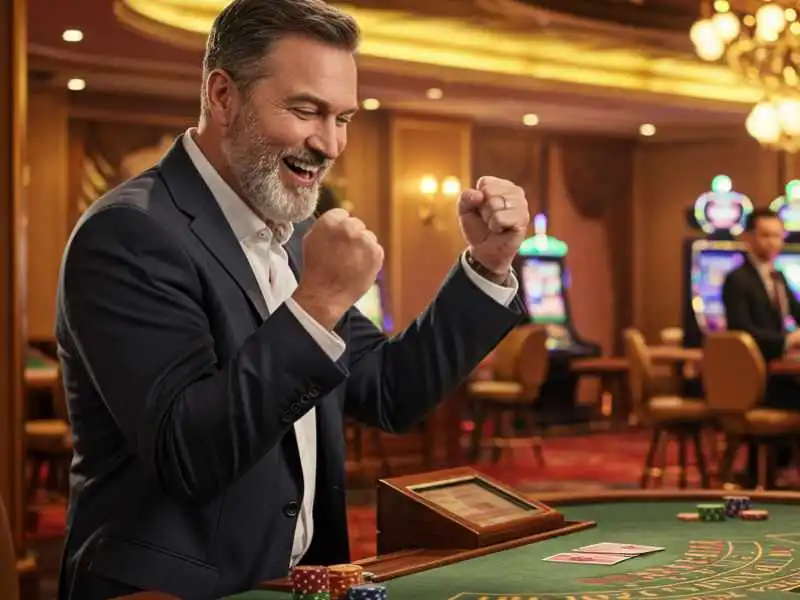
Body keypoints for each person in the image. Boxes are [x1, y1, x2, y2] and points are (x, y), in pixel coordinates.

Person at [54, 1, 530, 598]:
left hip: (293, 582)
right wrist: (319, 301)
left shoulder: (295, 232)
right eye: (306, 110)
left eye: (344, 118)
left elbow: (389, 390)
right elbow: (188, 455)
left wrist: (488, 264)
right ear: (223, 97)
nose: (329, 143)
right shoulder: (130, 232)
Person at [722, 207, 800, 486]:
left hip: (779, 374)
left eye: (778, 236)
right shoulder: (737, 279)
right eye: (765, 235)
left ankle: (777, 470)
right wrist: (789, 340)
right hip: (754, 380)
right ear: (748, 238)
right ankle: (773, 473)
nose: (773, 242)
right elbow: (743, 330)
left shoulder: (778, 277)